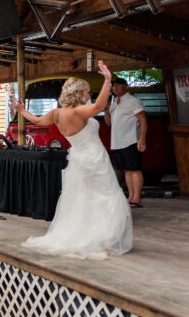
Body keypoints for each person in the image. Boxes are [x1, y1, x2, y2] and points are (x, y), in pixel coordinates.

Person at [13, 61, 132, 259]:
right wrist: (107, 80)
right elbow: (100, 106)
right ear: (78, 94)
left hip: (77, 159)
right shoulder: (78, 112)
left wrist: (21, 110)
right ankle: (103, 237)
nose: (88, 95)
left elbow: (37, 121)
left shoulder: (57, 114)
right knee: (107, 196)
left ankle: (86, 235)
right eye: (86, 92)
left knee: (82, 199)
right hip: (94, 159)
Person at [104, 76, 148, 208]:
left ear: (126, 87)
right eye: (114, 86)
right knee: (127, 171)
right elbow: (108, 123)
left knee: (135, 169)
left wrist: (142, 138)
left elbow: (143, 120)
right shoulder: (113, 104)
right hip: (118, 141)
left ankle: (137, 198)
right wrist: (106, 109)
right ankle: (131, 197)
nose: (115, 87)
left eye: (118, 85)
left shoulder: (133, 101)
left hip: (131, 140)